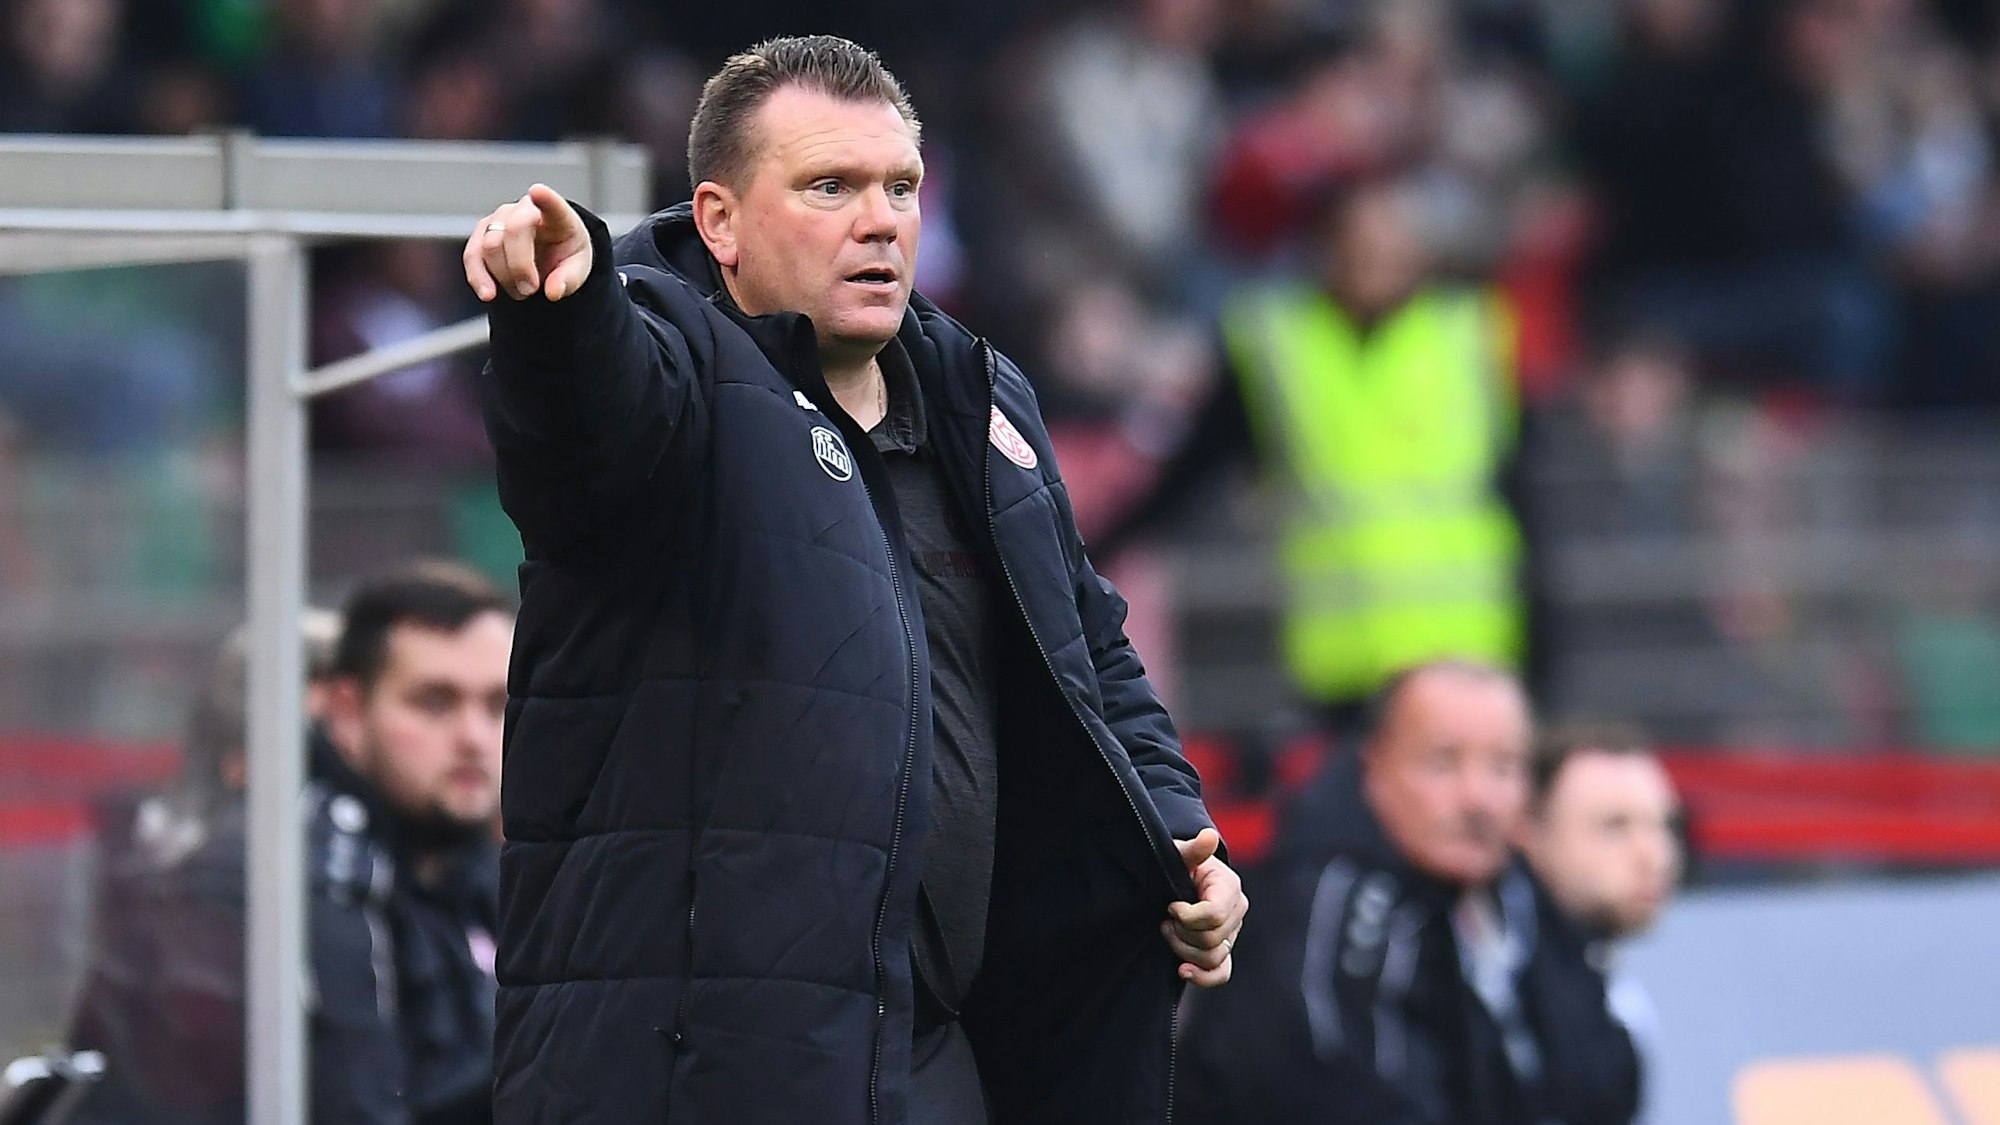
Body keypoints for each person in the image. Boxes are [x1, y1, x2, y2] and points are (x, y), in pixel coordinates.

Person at [462, 34, 1246, 1124]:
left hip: (932, 1054)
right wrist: (558, 312)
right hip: (704, 1068)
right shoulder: (670, 361)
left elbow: (1089, 651)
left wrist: (1173, 837)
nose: (879, 220)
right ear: (718, 221)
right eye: (827, 187)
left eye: (900, 187)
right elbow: (586, 422)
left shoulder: (982, 402)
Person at [66, 561, 512, 1125]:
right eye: (435, 701)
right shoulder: (292, 864)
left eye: (497, 704)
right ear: (346, 712)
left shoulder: (456, 864)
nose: (473, 737)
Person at [1097, 176, 1526, 729]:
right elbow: (1194, 469)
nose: (1378, 256)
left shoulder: (1469, 332)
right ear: (1323, 247)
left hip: (1467, 643)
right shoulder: (1277, 340)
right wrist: (1096, 549)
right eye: (1359, 240)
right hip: (1342, 653)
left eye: (1394, 239)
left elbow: (1521, 484)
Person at [1179, 660, 1557, 1125]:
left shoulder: (1514, 902)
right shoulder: (1324, 904)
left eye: (1503, 766)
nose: (1477, 798)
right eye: (1442, 762)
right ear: (1373, 766)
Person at [1516, 723, 1685, 1125]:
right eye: (1614, 826)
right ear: (1530, 834)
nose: (1653, 855)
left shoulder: (1614, 994)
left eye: (1662, 825)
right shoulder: (1489, 985)